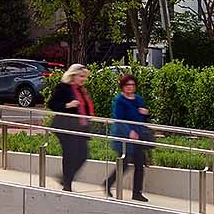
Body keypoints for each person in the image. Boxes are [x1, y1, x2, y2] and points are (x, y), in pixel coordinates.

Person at [48, 64, 97, 191]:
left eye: (84, 77)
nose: (83, 79)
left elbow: (85, 109)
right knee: (69, 155)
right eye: (81, 76)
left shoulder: (81, 90)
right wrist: (67, 105)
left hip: (79, 128)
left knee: (83, 155)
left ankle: (65, 179)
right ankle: (67, 184)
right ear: (73, 75)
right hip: (65, 126)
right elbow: (52, 104)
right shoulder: (63, 88)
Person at [106, 72, 152, 203]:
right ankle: (108, 184)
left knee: (139, 164)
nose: (130, 87)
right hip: (123, 137)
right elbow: (119, 119)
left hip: (138, 137)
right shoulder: (119, 100)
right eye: (127, 85)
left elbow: (141, 119)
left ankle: (137, 193)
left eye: (132, 85)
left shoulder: (138, 99)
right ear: (122, 86)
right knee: (124, 164)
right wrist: (129, 132)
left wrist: (145, 113)